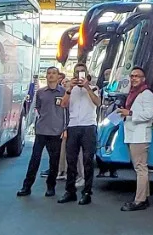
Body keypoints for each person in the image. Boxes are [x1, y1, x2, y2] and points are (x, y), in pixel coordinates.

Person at [17, 67, 67, 197]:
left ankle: (51, 187)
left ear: (58, 76)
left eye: (54, 73)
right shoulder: (40, 92)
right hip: (41, 130)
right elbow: (37, 107)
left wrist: (65, 128)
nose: (51, 75)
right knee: (35, 159)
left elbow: (67, 111)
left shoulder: (64, 92)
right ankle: (26, 186)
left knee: (54, 161)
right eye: (49, 73)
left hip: (56, 131)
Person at [59, 65, 99, 205]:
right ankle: (70, 191)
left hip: (89, 126)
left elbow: (98, 102)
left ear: (86, 73)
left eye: (81, 71)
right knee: (71, 160)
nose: (79, 74)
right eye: (77, 72)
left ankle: (87, 192)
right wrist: (69, 89)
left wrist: (87, 88)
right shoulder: (71, 89)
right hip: (73, 125)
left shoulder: (94, 88)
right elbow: (63, 104)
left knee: (88, 160)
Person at [120, 67, 153, 212]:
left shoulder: (147, 94)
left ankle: (139, 200)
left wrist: (129, 113)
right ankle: (144, 197)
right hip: (133, 134)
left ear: (143, 79)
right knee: (140, 167)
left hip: (139, 136)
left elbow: (148, 114)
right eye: (132, 76)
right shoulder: (133, 93)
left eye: (137, 76)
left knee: (140, 168)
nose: (134, 78)